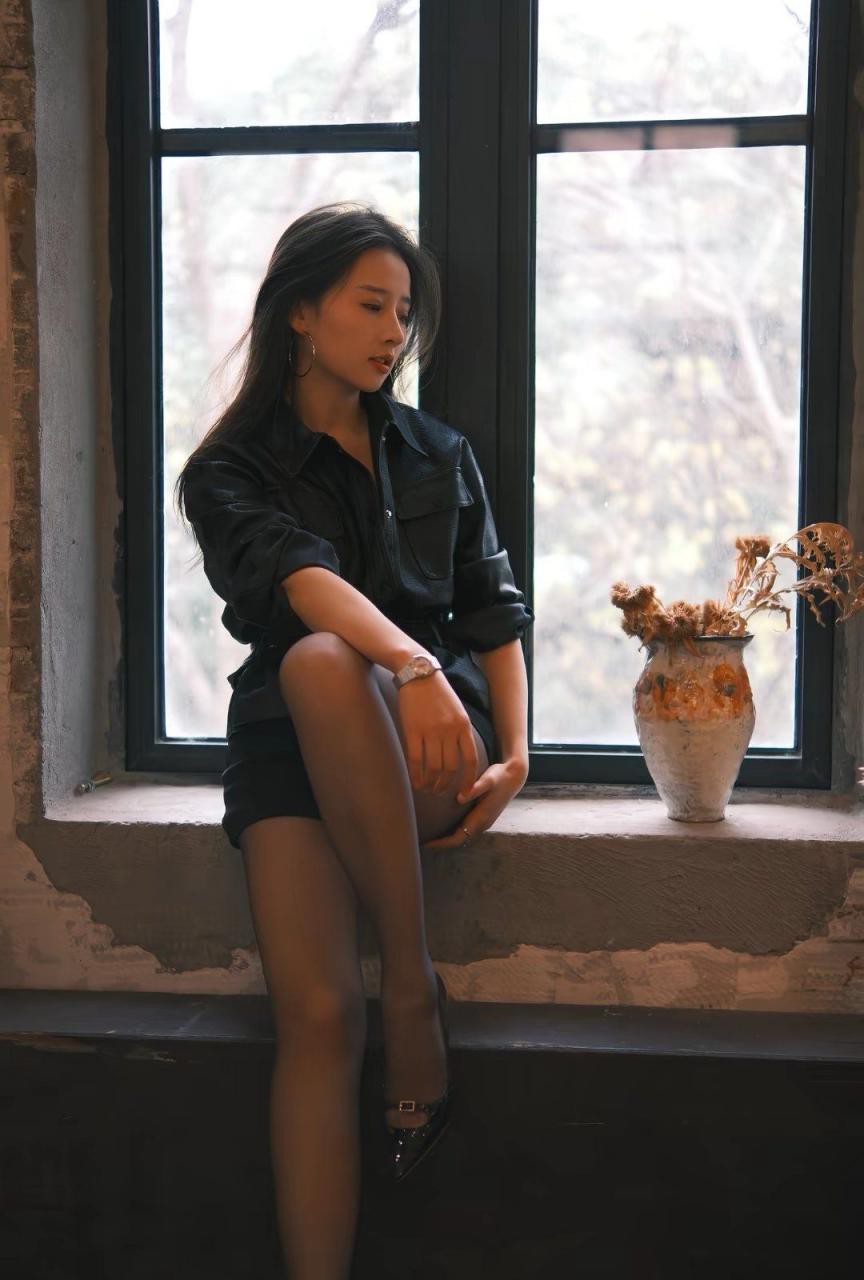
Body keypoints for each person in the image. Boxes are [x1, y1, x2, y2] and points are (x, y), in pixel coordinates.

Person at [175, 201, 535, 1279]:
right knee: (322, 1014)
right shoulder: (227, 470)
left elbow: (493, 611)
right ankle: (407, 990)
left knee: (328, 663)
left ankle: (411, 991)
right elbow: (300, 579)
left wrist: (515, 752)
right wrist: (409, 662)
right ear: (300, 312)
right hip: (290, 749)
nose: (393, 332)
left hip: (427, 752)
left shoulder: (437, 451)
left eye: (404, 312)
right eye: (371, 306)